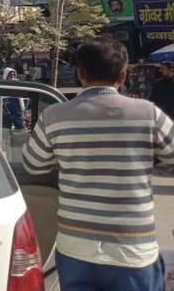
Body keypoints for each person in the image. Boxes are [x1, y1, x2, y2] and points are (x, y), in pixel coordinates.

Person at [21, 36, 174, 290]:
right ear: (123, 76)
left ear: (80, 74)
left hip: (76, 248)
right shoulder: (148, 114)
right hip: (132, 249)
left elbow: (33, 164)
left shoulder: (53, 116)